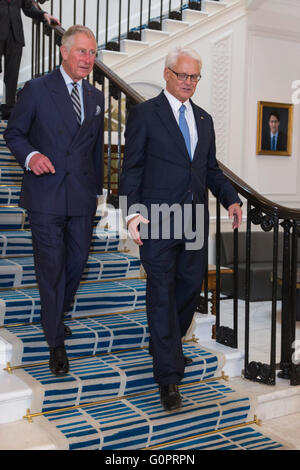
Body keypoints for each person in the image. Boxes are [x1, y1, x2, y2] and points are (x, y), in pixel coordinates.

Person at [119, 47, 242, 412]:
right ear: (167, 73)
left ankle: (167, 347)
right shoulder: (144, 114)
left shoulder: (203, 119)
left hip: (193, 222)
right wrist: (132, 215)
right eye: (183, 75)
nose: (189, 82)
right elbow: (132, 169)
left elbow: (210, 170)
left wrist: (231, 199)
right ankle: (169, 377)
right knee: (161, 294)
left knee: (188, 291)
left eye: (195, 77)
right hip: (156, 220)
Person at [4, 25, 104, 376]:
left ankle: (56, 315)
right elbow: (13, 133)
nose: (88, 59)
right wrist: (31, 157)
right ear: (64, 52)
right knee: (51, 268)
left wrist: (97, 192)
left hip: (80, 197)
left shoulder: (95, 97)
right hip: (45, 195)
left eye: (92, 53)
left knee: (75, 266)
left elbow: (94, 150)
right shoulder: (36, 89)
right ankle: (55, 342)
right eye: (82, 52)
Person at [0, 0, 60, 120]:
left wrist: (43, 14)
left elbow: (28, 8)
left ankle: (8, 109)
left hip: (15, 35)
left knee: (12, 75)